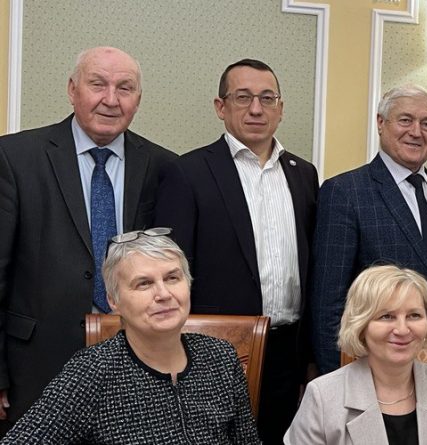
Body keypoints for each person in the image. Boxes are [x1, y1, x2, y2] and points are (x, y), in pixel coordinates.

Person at [0, 46, 177, 431]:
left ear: (138, 99)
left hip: (135, 363)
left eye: (125, 88)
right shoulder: (15, 157)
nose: (111, 100)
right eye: (98, 84)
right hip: (35, 363)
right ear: (72, 89)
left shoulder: (164, 166)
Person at [154, 58, 319, 443]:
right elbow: (171, 270)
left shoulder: (303, 174)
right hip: (213, 350)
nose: (256, 109)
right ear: (221, 107)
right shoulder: (188, 172)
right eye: (243, 98)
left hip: (288, 350)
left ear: (281, 108)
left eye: (267, 98)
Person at [0, 229, 259, 444]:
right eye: (144, 283)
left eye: (172, 278)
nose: (163, 294)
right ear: (113, 301)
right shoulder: (91, 372)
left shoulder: (221, 357)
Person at [311, 84, 427, 374]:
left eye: (426, 124)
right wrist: (337, 378)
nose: (416, 132)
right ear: (380, 123)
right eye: (405, 120)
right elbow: (328, 302)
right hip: (368, 368)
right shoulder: (345, 192)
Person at [285, 265, 427, 444]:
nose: (402, 329)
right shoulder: (323, 397)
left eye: (414, 315)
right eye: (386, 316)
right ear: (361, 325)